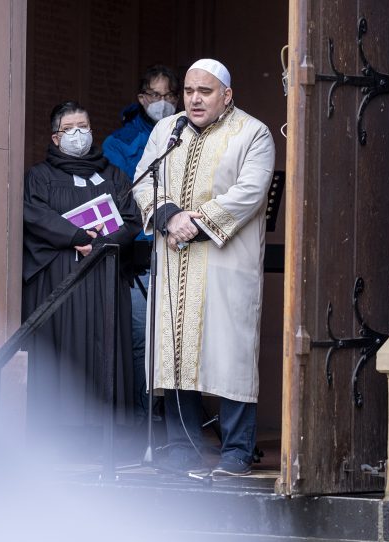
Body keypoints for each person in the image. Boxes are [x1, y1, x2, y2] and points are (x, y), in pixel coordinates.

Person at [133, 58, 275, 476]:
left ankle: (236, 450)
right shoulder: (167, 131)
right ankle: (182, 448)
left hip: (225, 264)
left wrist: (193, 222)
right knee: (174, 352)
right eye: (190, 91)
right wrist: (168, 215)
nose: (194, 99)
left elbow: (249, 192)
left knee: (230, 356)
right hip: (175, 261)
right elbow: (143, 180)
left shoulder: (253, 133)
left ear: (227, 96)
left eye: (205, 91)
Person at [22, 101, 142, 453]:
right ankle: (62, 430)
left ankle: (105, 431)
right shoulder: (40, 176)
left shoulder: (114, 175)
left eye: (84, 127)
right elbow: (33, 215)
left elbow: (131, 218)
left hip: (104, 276)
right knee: (66, 350)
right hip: (63, 278)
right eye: (70, 129)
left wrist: (101, 243)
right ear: (56, 137)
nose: (79, 135)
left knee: (105, 346)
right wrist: (76, 237)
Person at [102, 65, 180, 426]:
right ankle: (141, 416)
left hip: (181, 247)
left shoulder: (189, 133)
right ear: (142, 98)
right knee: (140, 339)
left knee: (178, 341)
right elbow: (123, 194)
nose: (162, 102)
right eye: (155, 95)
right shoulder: (118, 143)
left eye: (168, 95)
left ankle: (175, 419)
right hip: (140, 256)